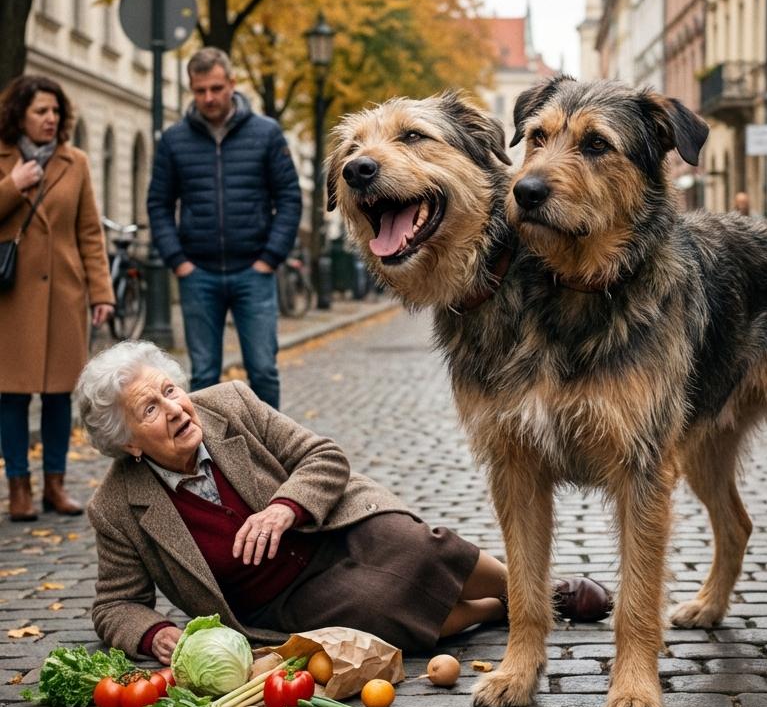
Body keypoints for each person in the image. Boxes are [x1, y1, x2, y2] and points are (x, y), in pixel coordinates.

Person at [77, 341, 613, 661]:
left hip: (332, 527)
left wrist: (285, 507)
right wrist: (154, 635)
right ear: (126, 443)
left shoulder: (228, 404)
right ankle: (506, 610)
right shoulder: (118, 506)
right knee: (378, 616)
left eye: (170, 390)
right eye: (150, 409)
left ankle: (539, 594)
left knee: (419, 547)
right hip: (276, 601)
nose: (175, 408)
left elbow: (323, 456)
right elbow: (114, 605)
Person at [147, 48, 301, 410]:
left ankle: (269, 453)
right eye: (200, 90)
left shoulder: (266, 133)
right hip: (198, 273)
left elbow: (289, 198)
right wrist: (178, 261)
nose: (209, 98)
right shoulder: (174, 140)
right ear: (191, 88)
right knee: (203, 374)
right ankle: (208, 457)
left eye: (216, 88)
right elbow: (158, 204)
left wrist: (270, 257)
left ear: (232, 83)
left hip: (254, 271)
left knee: (263, 371)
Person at [0, 75, 114, 522]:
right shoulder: (4, 158)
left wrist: (100, 291)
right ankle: (19, 489)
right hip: (12, 296)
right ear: (19, 115)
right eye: (40, 112)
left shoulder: (76, 161)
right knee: (10, 396)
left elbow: (89, 230)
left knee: (58, 396)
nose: (50, 120)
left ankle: (55, 484)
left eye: (55, 112)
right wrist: (13, 184)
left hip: (64, 295)